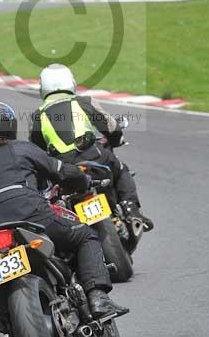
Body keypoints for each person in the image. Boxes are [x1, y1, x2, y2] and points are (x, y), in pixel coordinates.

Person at [0, 101, 128, 324]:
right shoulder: (23, 148)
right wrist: (82, 180)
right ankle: (98, 297)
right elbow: (60, 171)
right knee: (85, 236)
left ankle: (6, 322)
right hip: (34, 216)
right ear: (10, 126)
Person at [29, 63, 153, 232]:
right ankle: (132, 211)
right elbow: (110, 127)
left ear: (42, 88)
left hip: (64, 171)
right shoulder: (84, 102)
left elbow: (36, 153)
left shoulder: (37, 116)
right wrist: (116, 138)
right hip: (94, 156)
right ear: (71, 82)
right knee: (121, 169)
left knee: (55, 201)